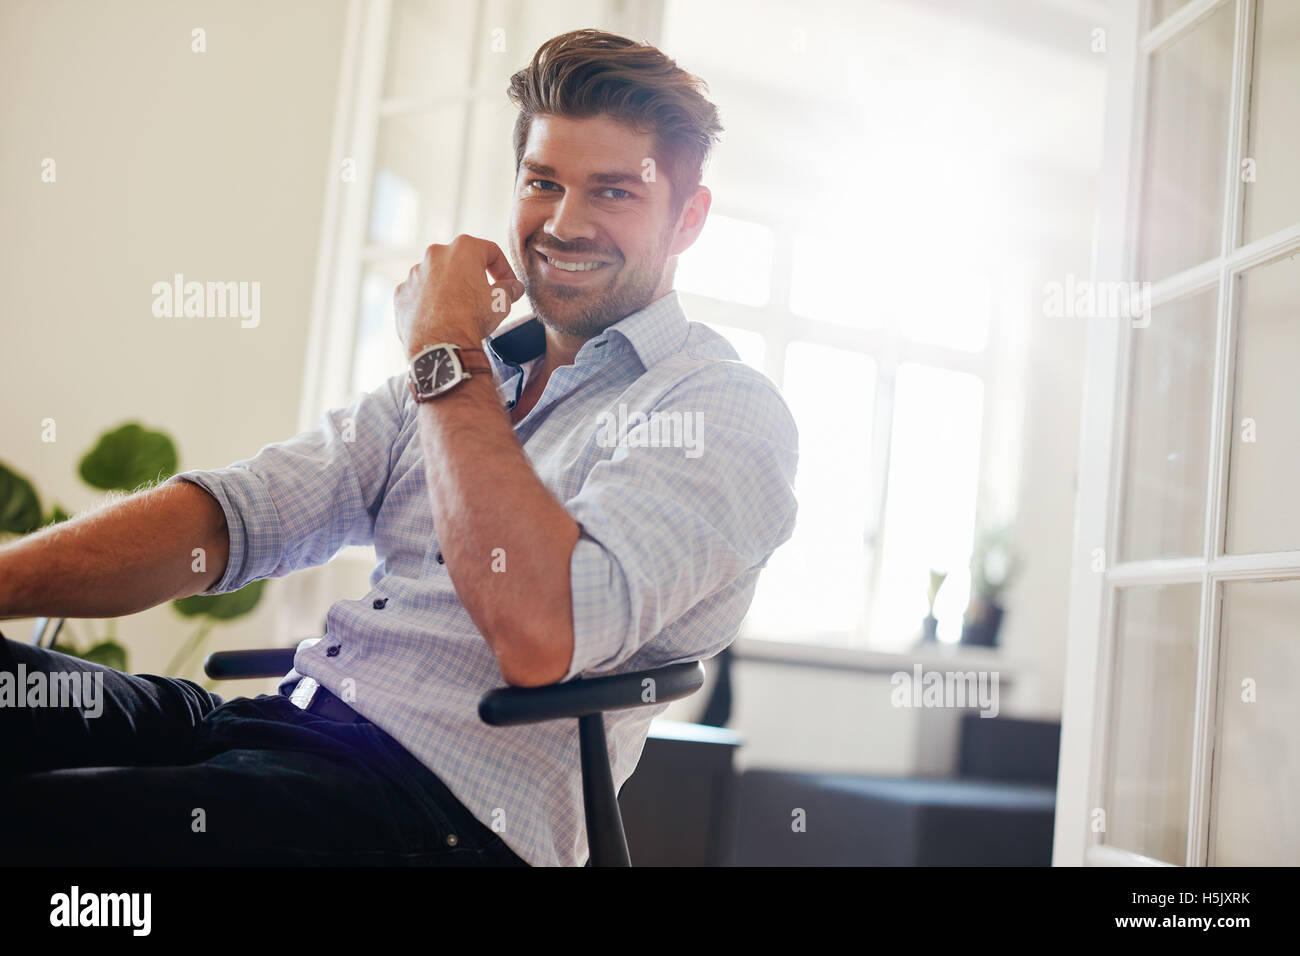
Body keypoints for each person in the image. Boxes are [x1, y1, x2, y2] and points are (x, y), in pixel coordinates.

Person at [0, 28, 798, 867]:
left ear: (689, 218)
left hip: (430, 813)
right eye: (543, 182)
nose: (565, 223)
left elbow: (539, 632)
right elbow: (240, 517)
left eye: (612, 192)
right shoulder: (466, 373)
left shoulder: (718, 409)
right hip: (276, 731)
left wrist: (444, 346)